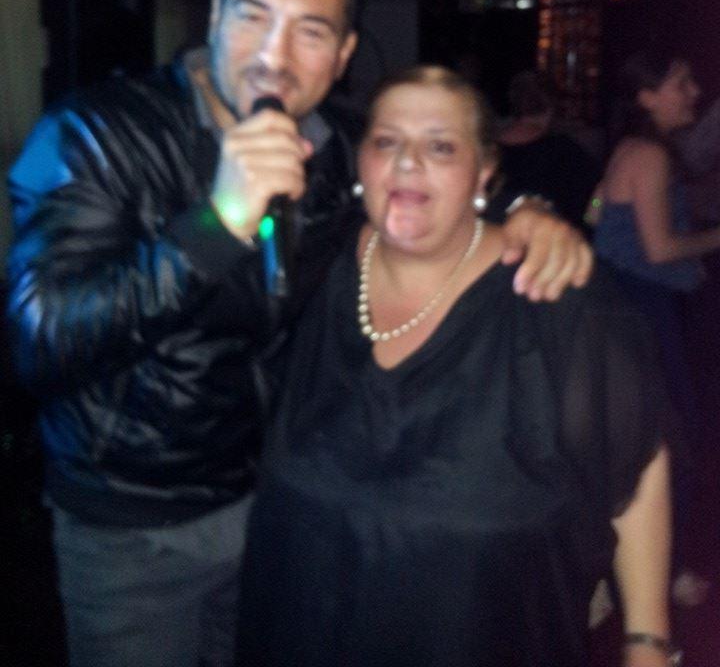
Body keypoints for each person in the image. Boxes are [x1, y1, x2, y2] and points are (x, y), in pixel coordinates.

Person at [6, 0, 592, 667]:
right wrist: (218, 222)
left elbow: (427, 180)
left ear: (343, 55)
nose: (274, 57)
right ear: (215, 19)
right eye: (254, 17)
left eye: (311, 32)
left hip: (278, 507)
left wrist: (522, 209)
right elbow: (40, 341)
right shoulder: (97, 133)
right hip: (133, 527)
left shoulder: (338, 146)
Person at [238, 65, 673, 667]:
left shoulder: (555, 295)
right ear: (361, 164)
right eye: (386, 142)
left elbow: (635, 459)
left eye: (440, 146)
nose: (407, 162)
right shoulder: (310, 271)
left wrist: (647, 641)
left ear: (484, 171)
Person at [592, 48, 720, 608]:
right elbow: (661, 247)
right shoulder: (648, 154)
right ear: (647, 97)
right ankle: (663, 575)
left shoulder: (628, 149)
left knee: (637, 443)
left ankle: (624, 575)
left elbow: (595, 217)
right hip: (642, 312)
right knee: (672, 441)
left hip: (621, 307)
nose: (694, 92)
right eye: (681, 82)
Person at [497, 70, 600, 229]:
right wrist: (590, 218)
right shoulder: (564, 151)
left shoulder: (488, 150)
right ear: (551, 105)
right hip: (553, 238)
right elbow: (596, 197)